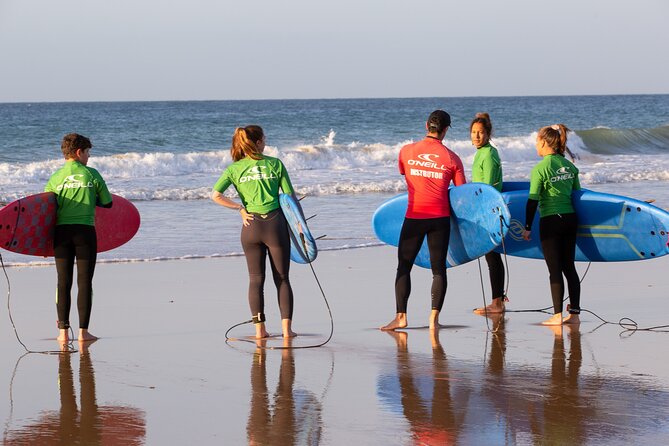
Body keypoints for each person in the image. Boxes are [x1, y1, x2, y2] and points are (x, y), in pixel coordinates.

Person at [381, 110, 466, 331]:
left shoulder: (406, 151)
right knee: (438, 269)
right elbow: (461, 192)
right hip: (439, 218)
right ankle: (433, 320)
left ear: (426, 125)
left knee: (404, 267)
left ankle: (401, 317)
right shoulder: (452, 158)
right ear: (446, 130)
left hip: (414, 217)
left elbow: (406, 174)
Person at [212, 125, 298, 339]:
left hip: (250, 227)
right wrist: (300, 227)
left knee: (255, 280)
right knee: (282, 279)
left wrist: (239, 209)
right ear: (258, 142)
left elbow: (215, 195)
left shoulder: (234, 169)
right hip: (275, 226)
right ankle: (287, 331)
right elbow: (290, 198)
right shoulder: (275, 164)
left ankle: (260, 331)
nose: (266, 141)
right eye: (264, 138)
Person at [45, 133, 113, 343]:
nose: (89, 157)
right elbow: (108, 202)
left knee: (62, 282)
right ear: (78, 152)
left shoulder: (55, 177)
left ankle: (63, 333)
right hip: (85, 234)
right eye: (88, 152)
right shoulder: (92, 174)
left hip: (61, 234)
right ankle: (83, 333)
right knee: (85, 282)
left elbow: (46, 210)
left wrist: (41, 244)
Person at [522, 124, 581, 325]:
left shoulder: (541, 169)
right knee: (569, 267)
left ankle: (557, 315)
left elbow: (532, 200)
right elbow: (578, 197)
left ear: (545, 142)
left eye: (537, 141)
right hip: (570, 219)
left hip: (551, 221)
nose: (536, 145)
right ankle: (574, 315)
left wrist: (527, 226)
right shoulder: (570, 167)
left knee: (554, 269)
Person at [469, 113, 507, 315]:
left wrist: (480, 212)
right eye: (474, 132)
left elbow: (489, 188)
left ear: (488, 134)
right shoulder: (481, 152)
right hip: (484, 209)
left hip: (489, 211)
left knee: (492, 257)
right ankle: (498, 299)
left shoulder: (489, 154)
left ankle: (497, 302)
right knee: (491, 256)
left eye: (481, 133)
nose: (476, 136)